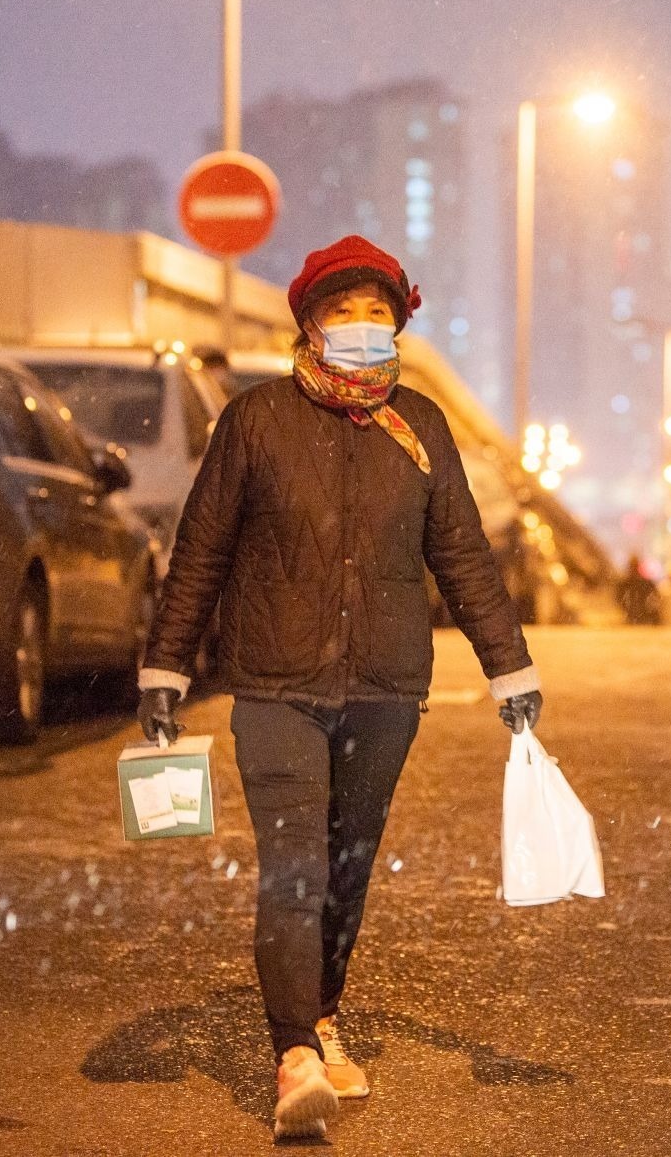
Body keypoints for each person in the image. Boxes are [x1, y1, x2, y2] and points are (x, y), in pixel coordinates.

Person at [135, 235, 542, 1141]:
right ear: (310, 322)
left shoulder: (421, 425)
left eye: (378, 313)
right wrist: (166, 664)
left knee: (348, 866)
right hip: (275, 683)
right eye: (343, 312)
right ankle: (295, 1056)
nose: (362, 329)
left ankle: (321, 1009)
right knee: (295, 868)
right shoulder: (256, 420)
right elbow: (202, 549)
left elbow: (462, 553)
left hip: (387, 686)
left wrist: (508, 664)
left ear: (398, 324)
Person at [614, 554, 662, 625]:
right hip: (641, 618)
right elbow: (656, 598)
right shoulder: (646, 583)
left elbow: (618, 599)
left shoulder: (625, 583)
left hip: (635, 617)